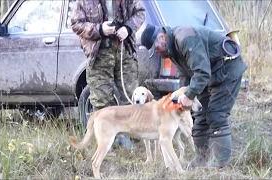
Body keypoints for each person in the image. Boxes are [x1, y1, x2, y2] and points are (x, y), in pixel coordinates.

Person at [140, 24, 247, 169]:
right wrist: (182, 97)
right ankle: (202, 158)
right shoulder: (171, 49)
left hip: (227, 70)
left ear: (161, 37)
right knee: (199, 116)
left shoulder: (185, 38)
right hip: (210, 75)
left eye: (156, 48)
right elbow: (185, 75)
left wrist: (190, 95)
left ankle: (221, 164)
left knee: (216, 115)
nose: (157, 53)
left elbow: (202, 72)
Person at [71, 0, 146, 150]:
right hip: (98, 55)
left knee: (131, 97)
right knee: (101, 100)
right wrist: (99, 29)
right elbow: (76, 24)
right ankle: (106, 146)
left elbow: (140, 12)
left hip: (124, 51)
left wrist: (129, 28)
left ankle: (131, 142)